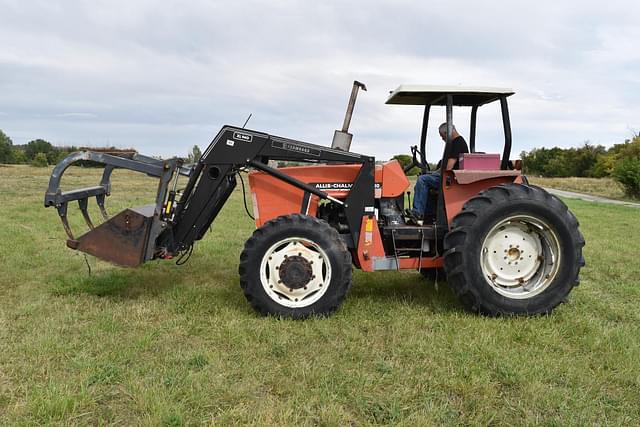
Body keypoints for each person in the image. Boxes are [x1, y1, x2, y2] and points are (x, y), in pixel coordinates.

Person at [411, 123, 469, 220]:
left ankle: (417, 213)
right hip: (449, 176)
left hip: (451, 178)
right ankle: (429, 215)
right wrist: (434, 173)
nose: (442, 139)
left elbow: (449, 166)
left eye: (442, 136)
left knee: (422, 180)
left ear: (447, 133)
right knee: (425, 180)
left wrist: (436, 174)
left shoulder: (457, 143)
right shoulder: (455, 142)